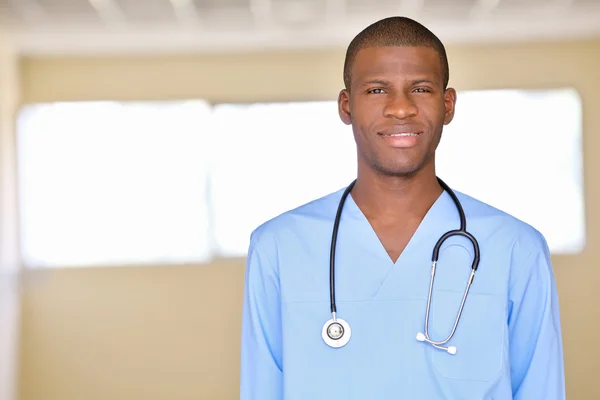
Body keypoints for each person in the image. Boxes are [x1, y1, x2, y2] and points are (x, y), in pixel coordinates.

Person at [239, 16, 565, 400]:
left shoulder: (516, 249)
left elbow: (541, 388)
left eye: (421, 89)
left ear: (448, 105)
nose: (400, 108)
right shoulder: (278, 247)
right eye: (377, 90)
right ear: (347, 106)